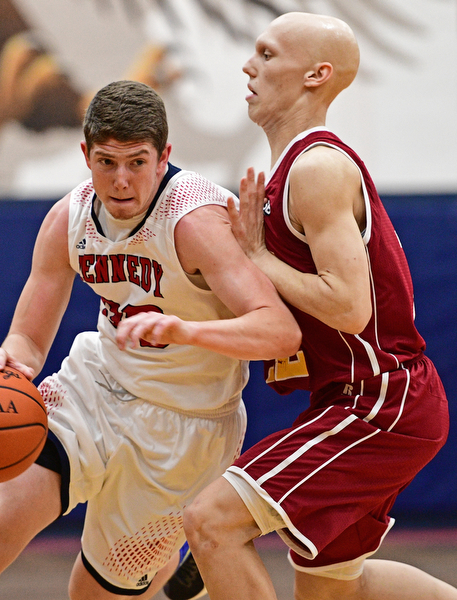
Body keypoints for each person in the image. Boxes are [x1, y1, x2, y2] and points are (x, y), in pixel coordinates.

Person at [0, 80, 301, 600]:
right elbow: (27, 342)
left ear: (164, 155)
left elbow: (279, 332)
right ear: (85, 154)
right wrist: (6, 359)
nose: (121, 181)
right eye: (106, 162)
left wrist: (186, 330)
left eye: (137, 163)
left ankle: (171, 567)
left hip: (184, 427)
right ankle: (168, 566)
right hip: (94, 389)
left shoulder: (196, 221)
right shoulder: (68, 218)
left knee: (94, 593)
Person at [183, 12, 457, 600]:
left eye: (267, 53)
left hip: (380, 400)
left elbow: (350, 308)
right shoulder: (291, 170)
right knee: (337, 591)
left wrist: (259, 258)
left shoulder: (317, 168)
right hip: (358, 396)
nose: (247, 65)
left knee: (211, 522)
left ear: (316, 74)